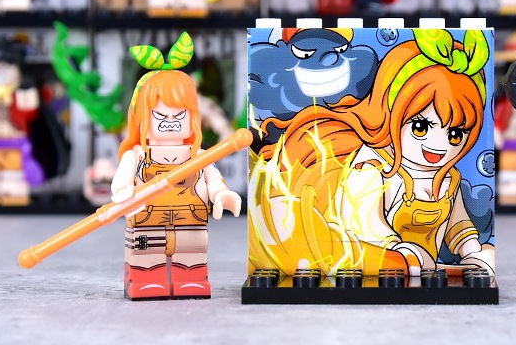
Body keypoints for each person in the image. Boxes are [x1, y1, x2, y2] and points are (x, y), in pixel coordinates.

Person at [251, 29, 494, 276]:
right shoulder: (372, 167)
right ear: (389, 111)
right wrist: (399, 251)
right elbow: (366, 226)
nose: (439, 146)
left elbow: (458, 226)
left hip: (423, 275)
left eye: (455, 134)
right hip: (375, 265)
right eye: (420, 127)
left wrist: (474, 252)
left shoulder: (448, 178)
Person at [111, 32, 241, 299]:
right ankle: (145, 281)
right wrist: (124, 194)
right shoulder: (137, 155)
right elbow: (121, 182)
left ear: (191, 117)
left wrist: (221, 195)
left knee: (192, 252)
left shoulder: (198, 155)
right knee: (146, 254)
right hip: (147, 218)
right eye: (160, 116)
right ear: (143, 117)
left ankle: (191, 280)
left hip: (190, 219)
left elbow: (213, 179)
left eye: (179, 115)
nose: (170, 122)